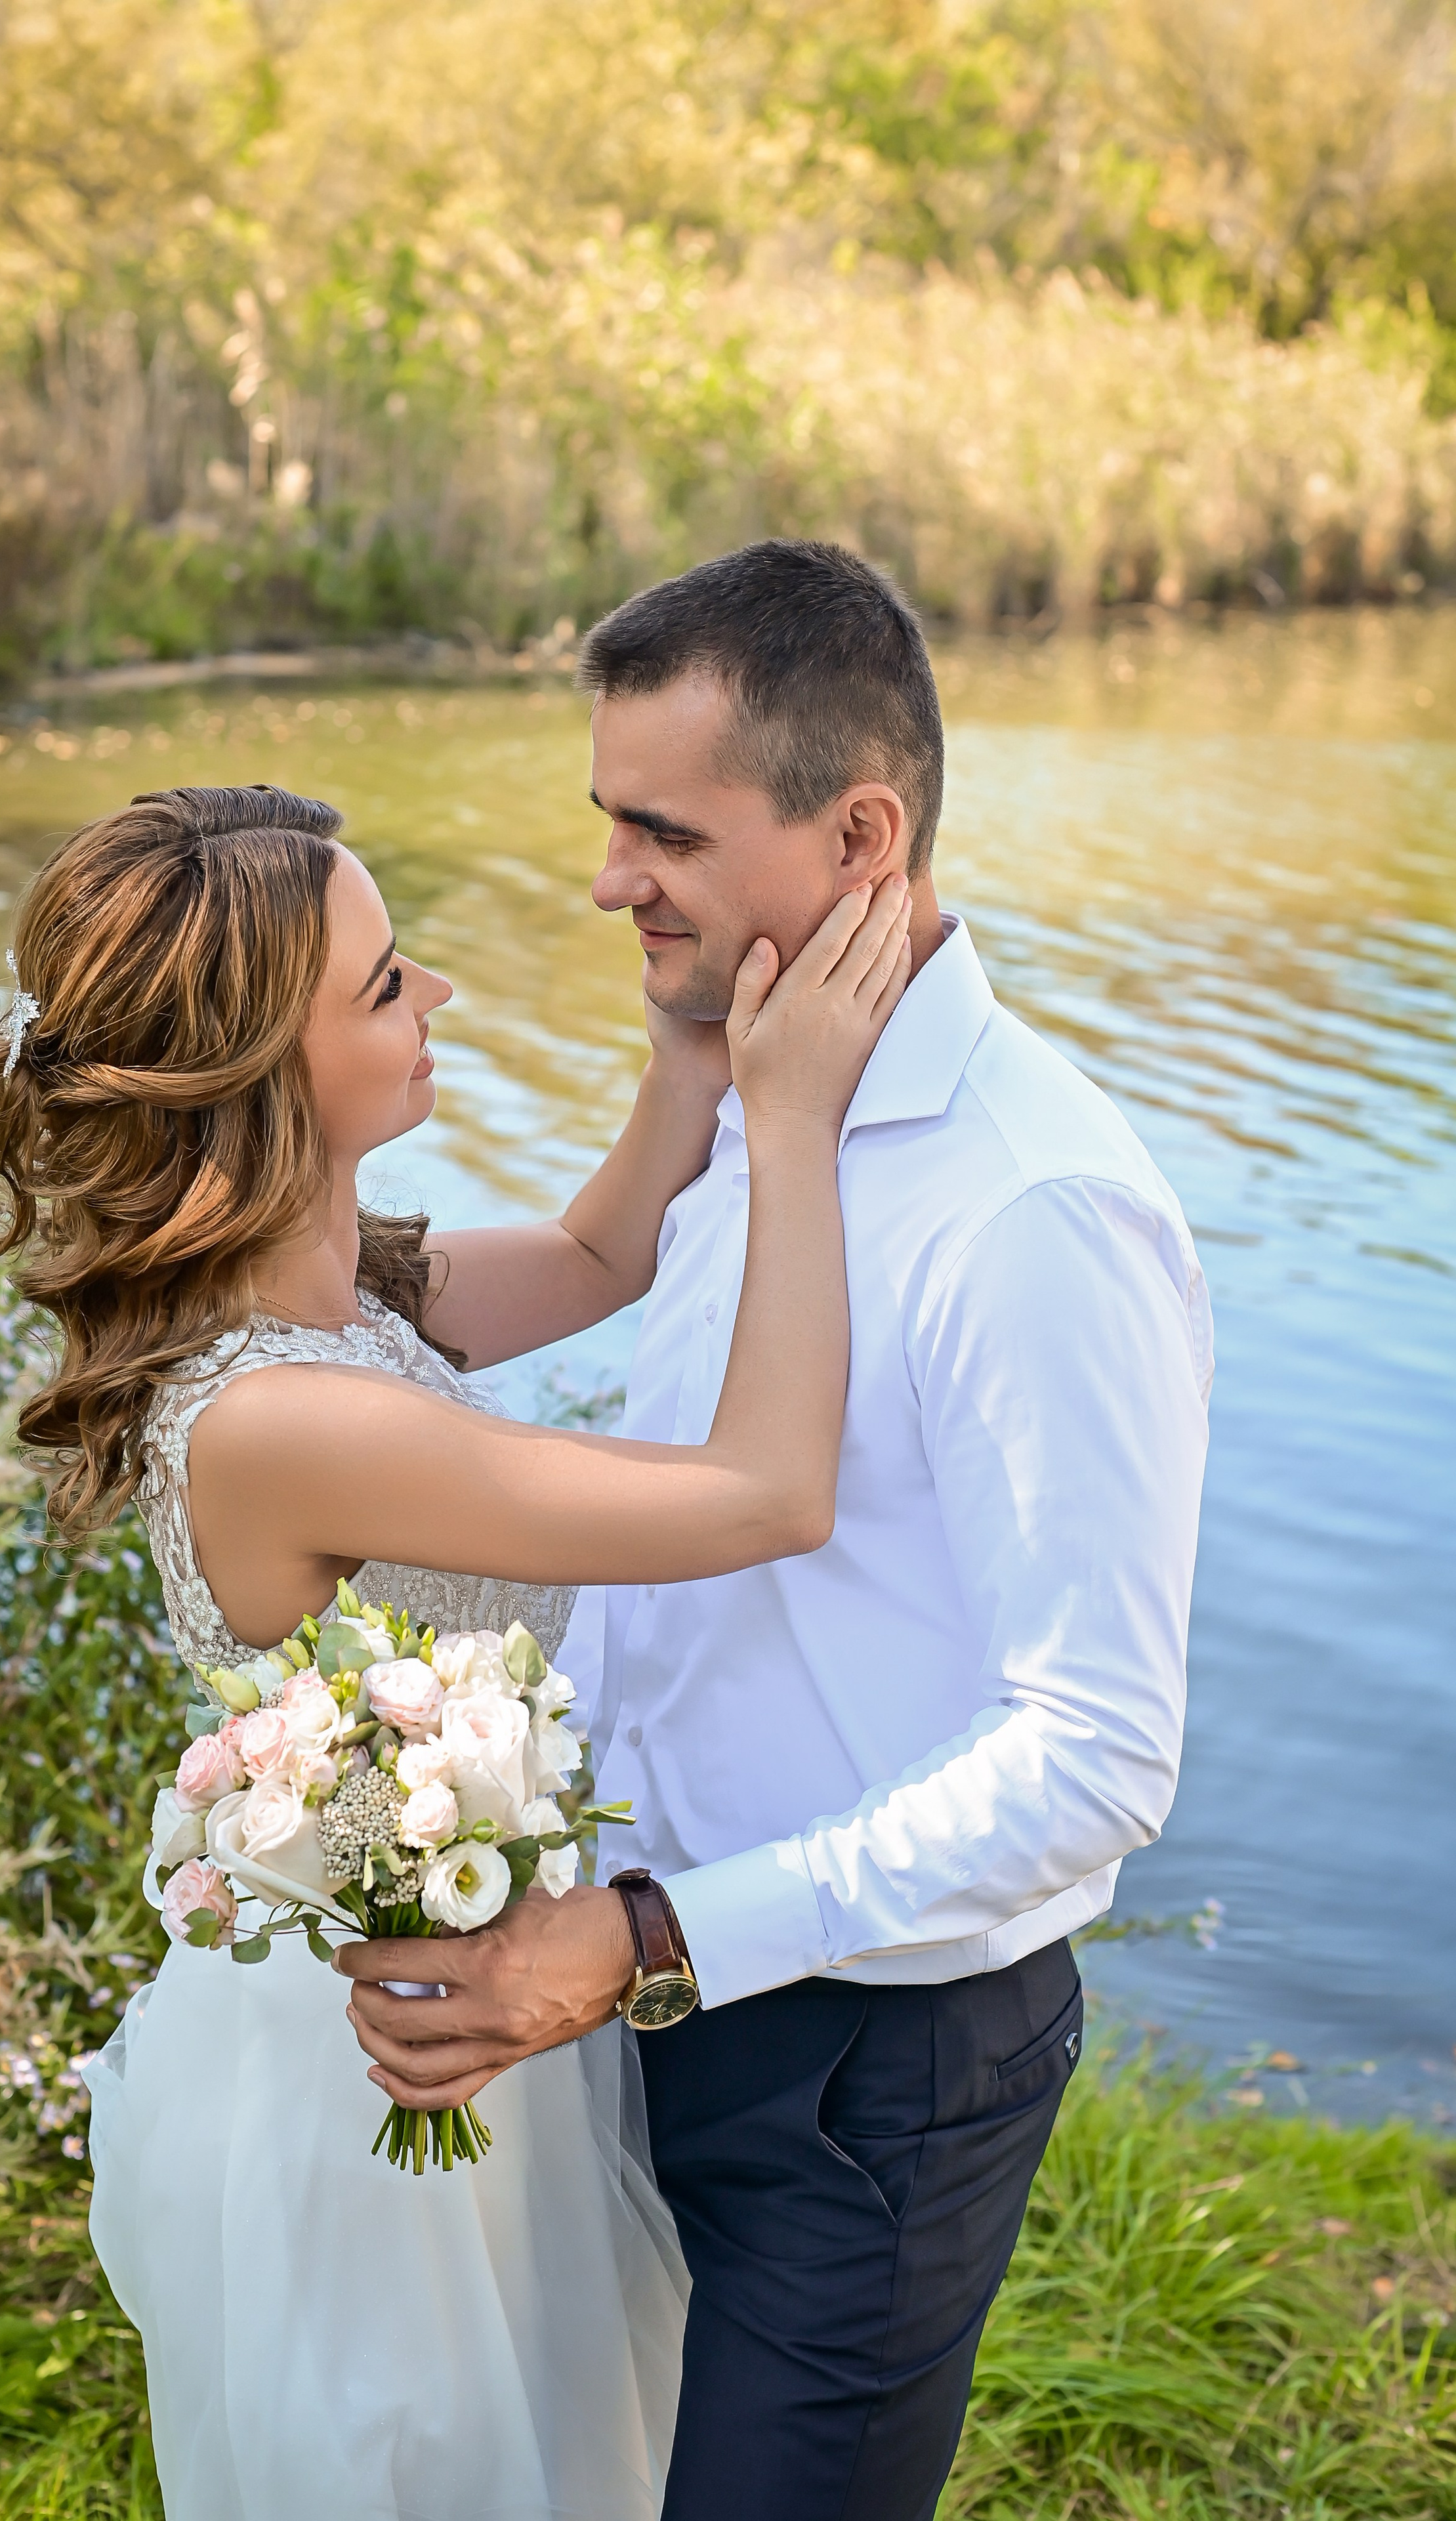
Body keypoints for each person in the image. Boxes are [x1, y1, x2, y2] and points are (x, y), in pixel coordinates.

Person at [341, 540, 1215, 2521]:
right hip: (640, 1995)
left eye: (663, 830)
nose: (606, 879)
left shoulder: (1035, 1211)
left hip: (870, 2076)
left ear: (860, 832)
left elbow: (1098, 1755)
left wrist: (650, 1940)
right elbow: (598, 1313)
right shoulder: (758, 1087)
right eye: (605, 820)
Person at [0, 775, 913, 2521]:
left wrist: (692, 1037)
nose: (443, 996)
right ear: (269, 1075)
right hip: (384, 2081)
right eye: (390, 983)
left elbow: (596, 1245)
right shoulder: (284, 1417)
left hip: (454, 1996)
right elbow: (768, 1491)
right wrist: (796, 1127)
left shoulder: (332, 1293)